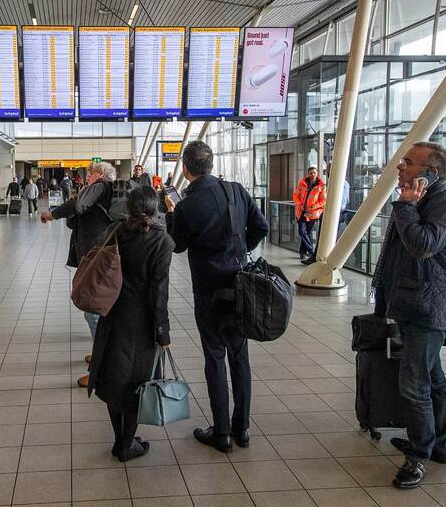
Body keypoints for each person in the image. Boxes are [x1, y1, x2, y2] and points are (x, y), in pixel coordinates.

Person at [371, 142, 446, 490]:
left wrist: (406, 207)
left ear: (431, 173)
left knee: (414, 385)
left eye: (408, 163)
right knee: (432, 378)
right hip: (414, 304)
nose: (400, 167)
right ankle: (436, 442)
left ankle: (418, 456)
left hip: (430, 309)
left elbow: (422, 245)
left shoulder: (445, 207)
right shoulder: (424, 202)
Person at [164, 141, 268, 453]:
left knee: (215, 357)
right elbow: (261, 227)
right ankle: (243, 428)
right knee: (240, 356)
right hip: (240, 284)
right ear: (211, 164)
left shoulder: (185, 205)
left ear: (186, 169)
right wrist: (239, 252)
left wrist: (171, 214)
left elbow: (177, 245)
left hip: (208, 290)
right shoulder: (235, 190)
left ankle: (221, 432)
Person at [88, 186, 173, 461]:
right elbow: (159, 292)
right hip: (142, 321)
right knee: (139, 382)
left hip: (112, 313)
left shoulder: (116, 231)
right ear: (155, 208)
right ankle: (127, 445)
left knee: (114, 378)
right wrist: (163, 331)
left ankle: (118, 440)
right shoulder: (162, 242)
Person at [40, 161, 116, 387]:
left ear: (99, 174)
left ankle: (102, 367)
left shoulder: (101, 187)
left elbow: (77, 205)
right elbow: (75, 220)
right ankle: (100, 351)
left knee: (93, 310)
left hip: (98, 258)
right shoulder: (102, 193)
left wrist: (52, 214)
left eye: (90, 172)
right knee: (94, 309)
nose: (88, 176)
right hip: (96, 256)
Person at [292, 167, 326, 262]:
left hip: (313, 213)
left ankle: (302, 252)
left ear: (317, 173)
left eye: (314, 173)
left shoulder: (321, 186)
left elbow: (323, 200)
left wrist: (313, 207)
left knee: (307, 232)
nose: (312, 174)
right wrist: (300, 204)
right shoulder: (302, 183)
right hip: (301, 212)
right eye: (311, 173)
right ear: (308, 174)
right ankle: (311, 251)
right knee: (302, 231)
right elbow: (295, 195)